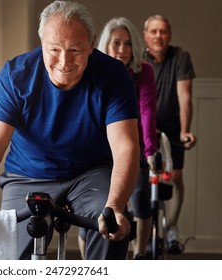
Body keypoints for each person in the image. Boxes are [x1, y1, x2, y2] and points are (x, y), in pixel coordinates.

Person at [0, 1, 140, 260]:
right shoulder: (14, 76)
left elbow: (125, 146)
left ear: (92, 44)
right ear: (41, 42)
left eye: (75, 49)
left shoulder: (113, 75)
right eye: (54, 49)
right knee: (5, 248)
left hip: (89, 173)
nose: (64, 61)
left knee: (110, 224)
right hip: (27, 173)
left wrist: (116, 206)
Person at [77, 17, 158, 260]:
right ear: (105, 44)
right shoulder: (93, 70)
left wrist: (151, 151)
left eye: (127, 44)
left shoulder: (143, 71)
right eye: (116, 43)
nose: (122, 49)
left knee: (141, 194)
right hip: (99, 149)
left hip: (134, 144)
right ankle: (88, 262)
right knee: (94, 207)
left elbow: (147, 111)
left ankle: (140, 254)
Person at [143, 15, 197, 254]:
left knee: (174, 178)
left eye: (163, 31)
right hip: (143, 128)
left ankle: (172, 228)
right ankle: (141, 230)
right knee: (140, 182)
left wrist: (185, 130)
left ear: (170, 36)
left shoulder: (180, 57)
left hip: (172, 129)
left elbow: (185, 97)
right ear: (145, 36)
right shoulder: (138, 58)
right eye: (153, 31)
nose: (158, 36)